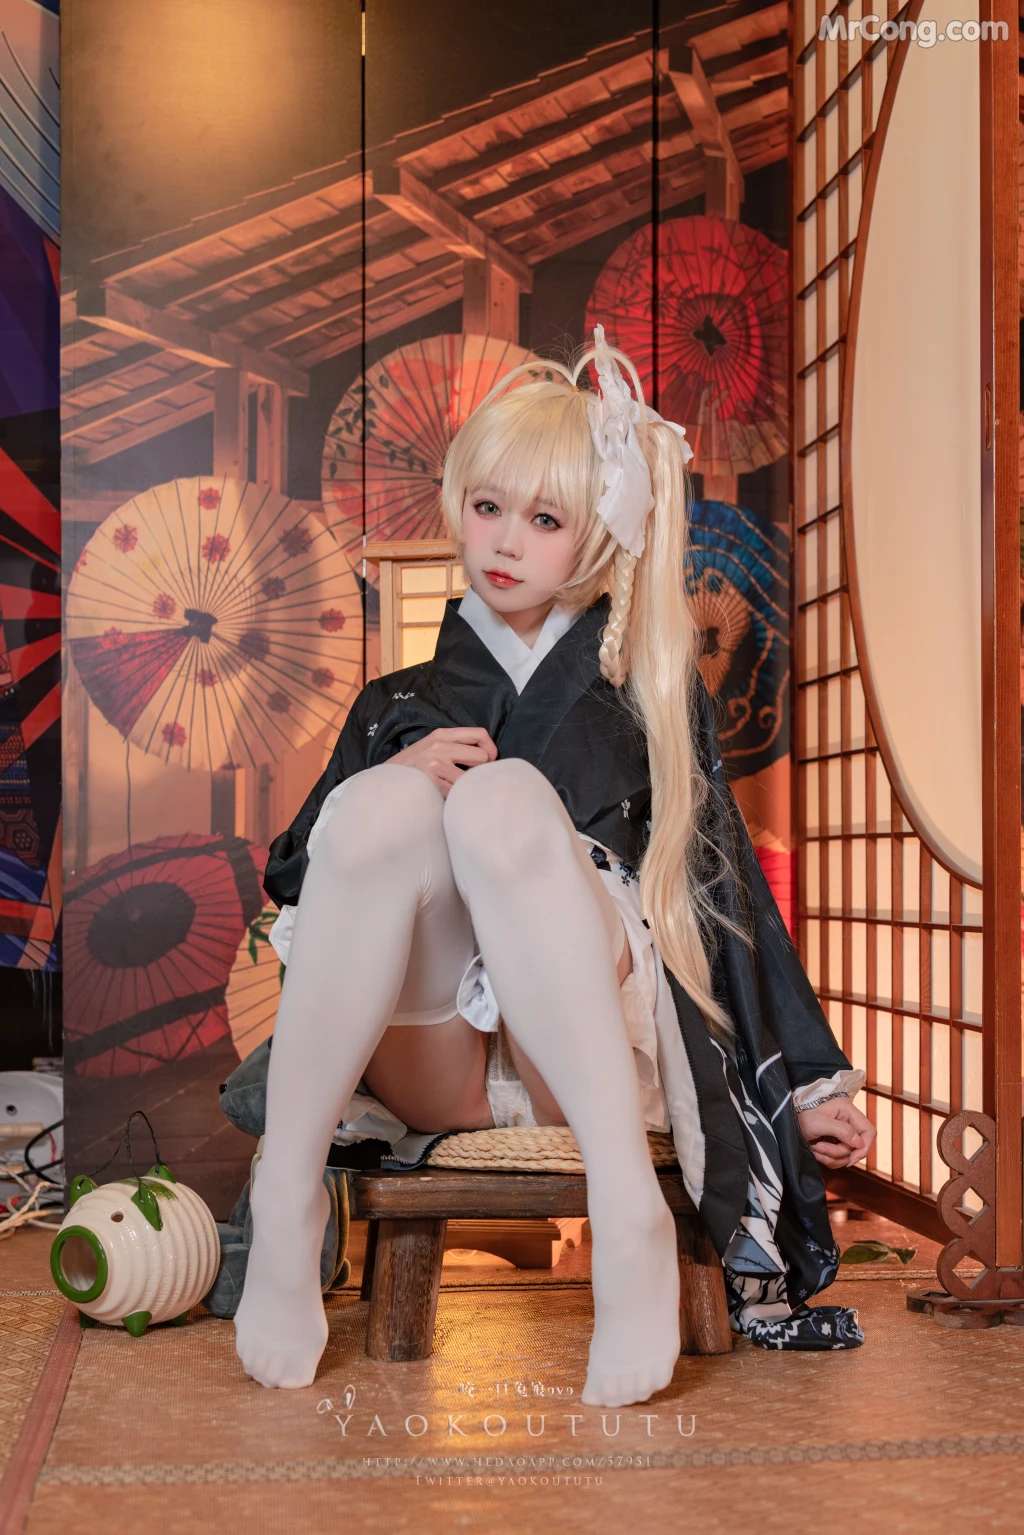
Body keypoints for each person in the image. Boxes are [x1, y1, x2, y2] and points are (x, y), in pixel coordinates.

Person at [233, 324, 875, 1407]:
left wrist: (800, 1080)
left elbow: (725, 894)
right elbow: (300, 878)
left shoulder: (650, 697)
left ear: (595, 536)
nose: (505, 542)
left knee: (501, 796)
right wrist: (394, 768)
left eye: (545, 519)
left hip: (582, 1066)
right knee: (383, 804)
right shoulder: (399, 703)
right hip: (430, 1055)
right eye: (488, 507)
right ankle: (286, 1190)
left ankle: (626, 1210)